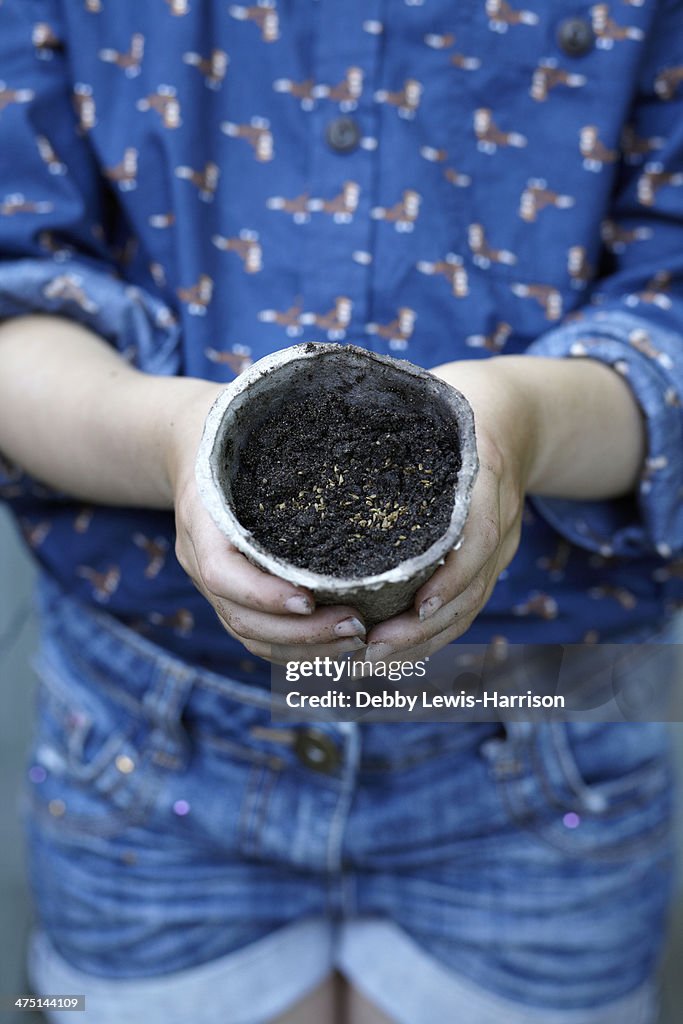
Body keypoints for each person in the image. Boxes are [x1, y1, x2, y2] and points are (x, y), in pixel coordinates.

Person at [0, 1, 682, 1021]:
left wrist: (521, 425)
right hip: (150, 747)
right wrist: (175, 438)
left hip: (545, 732)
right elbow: (18, 307)